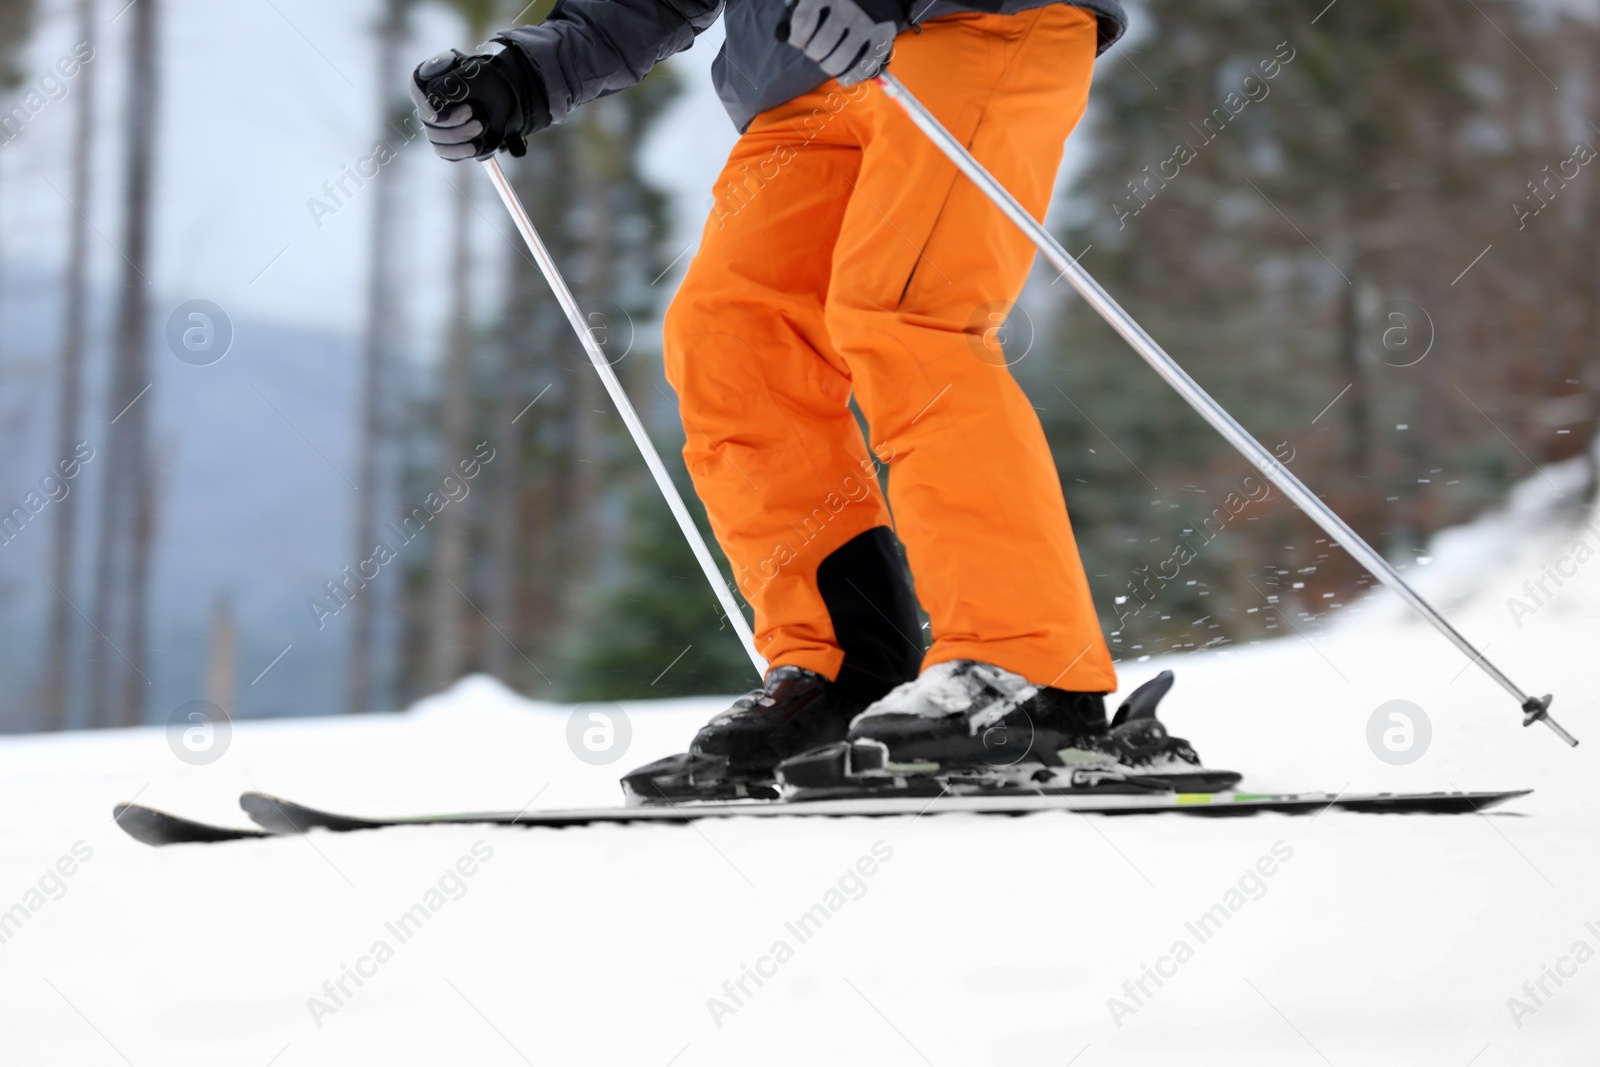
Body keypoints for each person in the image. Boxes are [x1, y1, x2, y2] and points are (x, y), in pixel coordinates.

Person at [409, 0, 1216, 798]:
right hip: (800, 72)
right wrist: (528, 70)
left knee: (906, 314)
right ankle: (844, 675)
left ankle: (1029, 677)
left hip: (970, 24)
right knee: (732, 340)